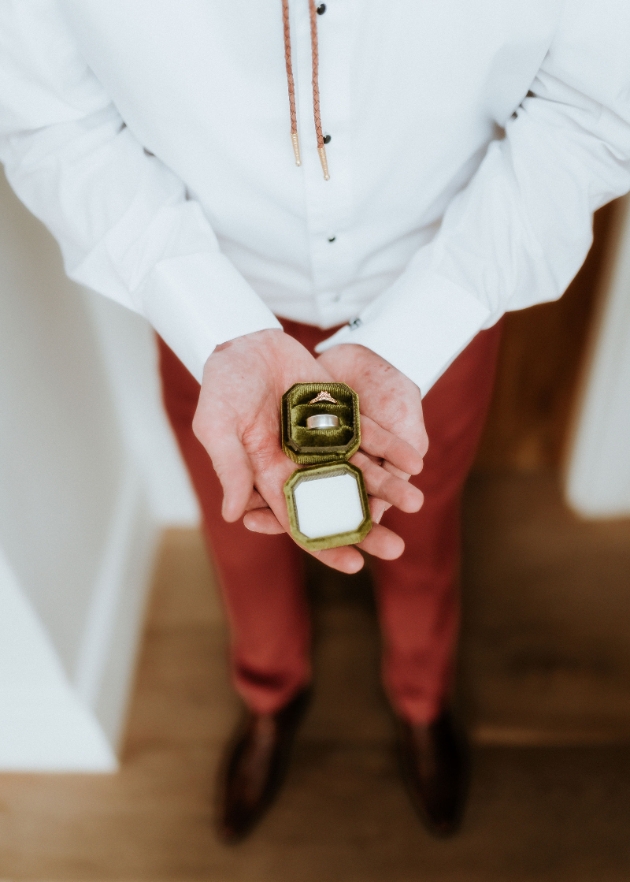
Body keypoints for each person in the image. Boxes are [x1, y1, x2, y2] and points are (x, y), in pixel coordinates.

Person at [1, 0, 628, 842]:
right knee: (241, 537)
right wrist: (213, 322)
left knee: (423, 526)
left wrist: (428, 323)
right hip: (208, 316)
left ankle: (421, 699)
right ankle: (270, 697)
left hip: (442, 297)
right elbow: (49, 116)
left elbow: (597, 106)